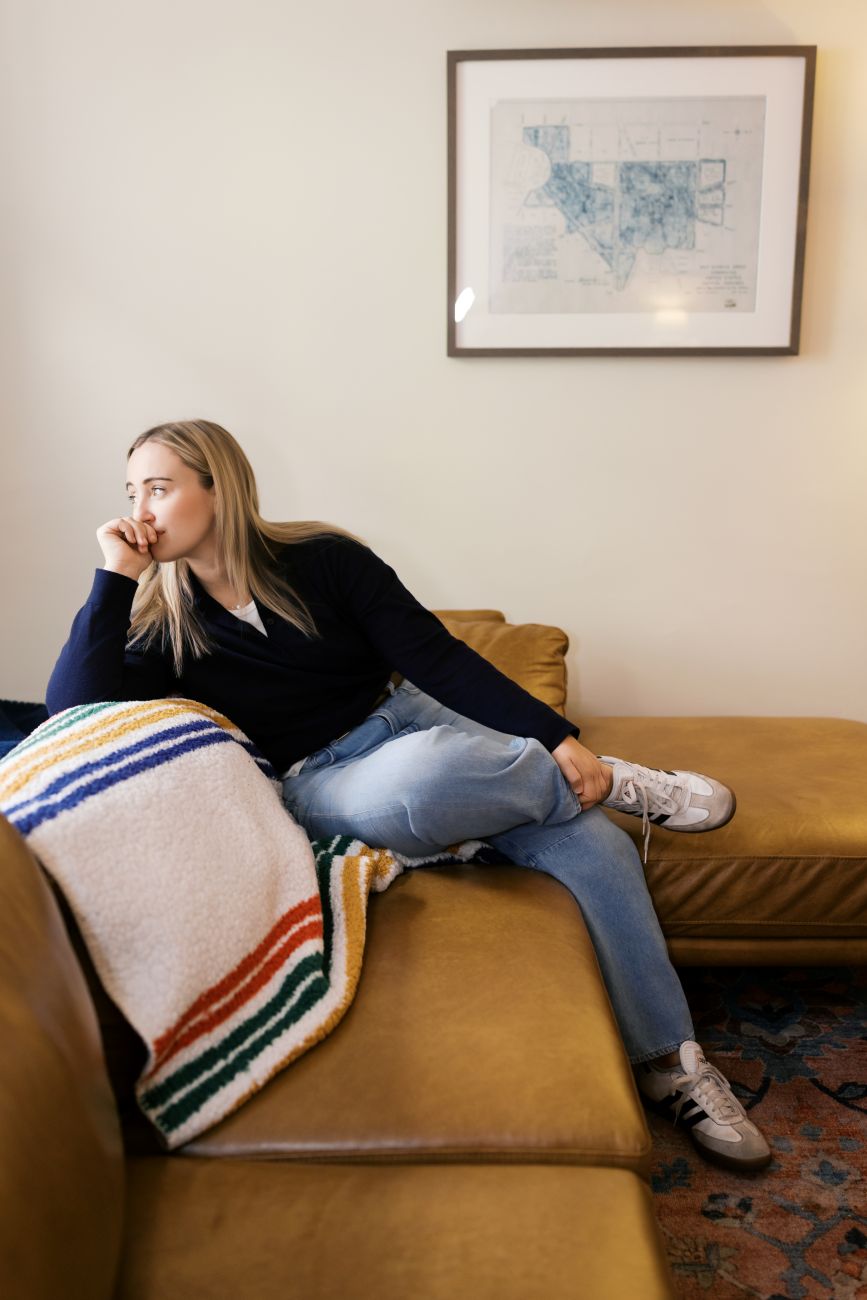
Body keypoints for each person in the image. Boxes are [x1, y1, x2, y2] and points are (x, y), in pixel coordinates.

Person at [46, 419, 771, 1172]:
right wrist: (114, 578)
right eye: (132, 492)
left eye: (159, 488)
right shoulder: (166, 624)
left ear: (218, 488)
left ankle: (670, 1064)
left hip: (417, 720)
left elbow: (435, 658)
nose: (141, 510)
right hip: (325, 778)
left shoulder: (325, 561)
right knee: (425, 779)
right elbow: (73, 711)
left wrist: (555, 736)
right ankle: (608, 785)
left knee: (597, 844)